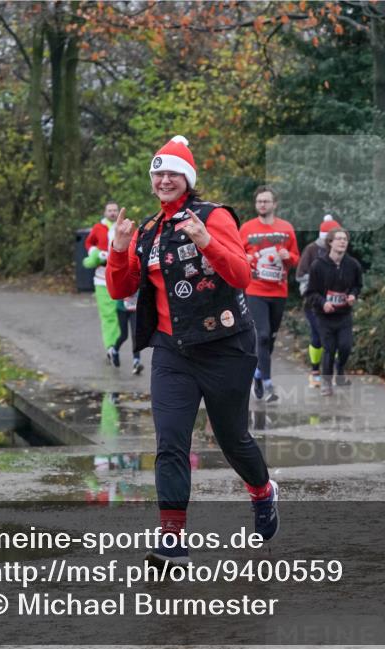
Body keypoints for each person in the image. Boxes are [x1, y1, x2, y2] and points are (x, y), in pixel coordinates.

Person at [106, 135, 278, 565]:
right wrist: (119, 249)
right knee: (170, 442)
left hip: (226, 347)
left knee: (232, 439)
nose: (164, 180)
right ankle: (172, 537)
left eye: (173, 173)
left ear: (187, 178)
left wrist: (206, 241)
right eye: (158, 173)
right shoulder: (148, 230)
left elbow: (241, 276)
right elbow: (120, 289)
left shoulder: (214, 216)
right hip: (172, 353)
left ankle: (262, 491)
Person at [240, 185, 300, 402]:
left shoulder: (286, 228)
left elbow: (296, 259)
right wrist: (244, 259)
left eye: (266, 201)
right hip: (255, 290)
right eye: (259, 201)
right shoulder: (246, 228)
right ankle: (268, 384)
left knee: (270, 338)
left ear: (274, 204)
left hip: (278, 291)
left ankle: (258, 373)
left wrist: (288, 257)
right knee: (262, 335)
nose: (262, 205)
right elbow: (235, 255)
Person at [304, 228, 363, 397]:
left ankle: (340, 370)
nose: (343, 241)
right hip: (324, 316)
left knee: (345, 346)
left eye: (345, 239)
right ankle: (326, 383)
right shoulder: (318, 265)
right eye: (339, 238)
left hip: (344, 314)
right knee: (329, 348)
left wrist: (353, 295)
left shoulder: (353, 265)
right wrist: (323, 303)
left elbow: (358, 285)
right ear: (330, 242)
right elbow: (311, 292)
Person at [295, 215, 341, 387]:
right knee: (318, 335)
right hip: (313, 302)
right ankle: (315, 372)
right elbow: (300, 275)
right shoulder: (311, 250)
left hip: (335, 302)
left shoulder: (340, 252)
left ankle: (334, 372)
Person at [84, 202, 124, 366]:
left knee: (121, 316)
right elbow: (89, 243)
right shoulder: (98, 227)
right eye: (110, 210)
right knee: (108, 316)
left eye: (115, 210)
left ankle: (117, 345)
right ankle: (111, 347)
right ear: (105, 212)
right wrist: (95, 253)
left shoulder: (123, 227)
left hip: (120, 279)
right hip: (101, 279)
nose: (113, 213)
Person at [113, 292, 143, 374]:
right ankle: (115, 350)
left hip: (134, 308)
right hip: (122, 308)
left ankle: (136, 362)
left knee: (135, 335)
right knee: (124, 336)